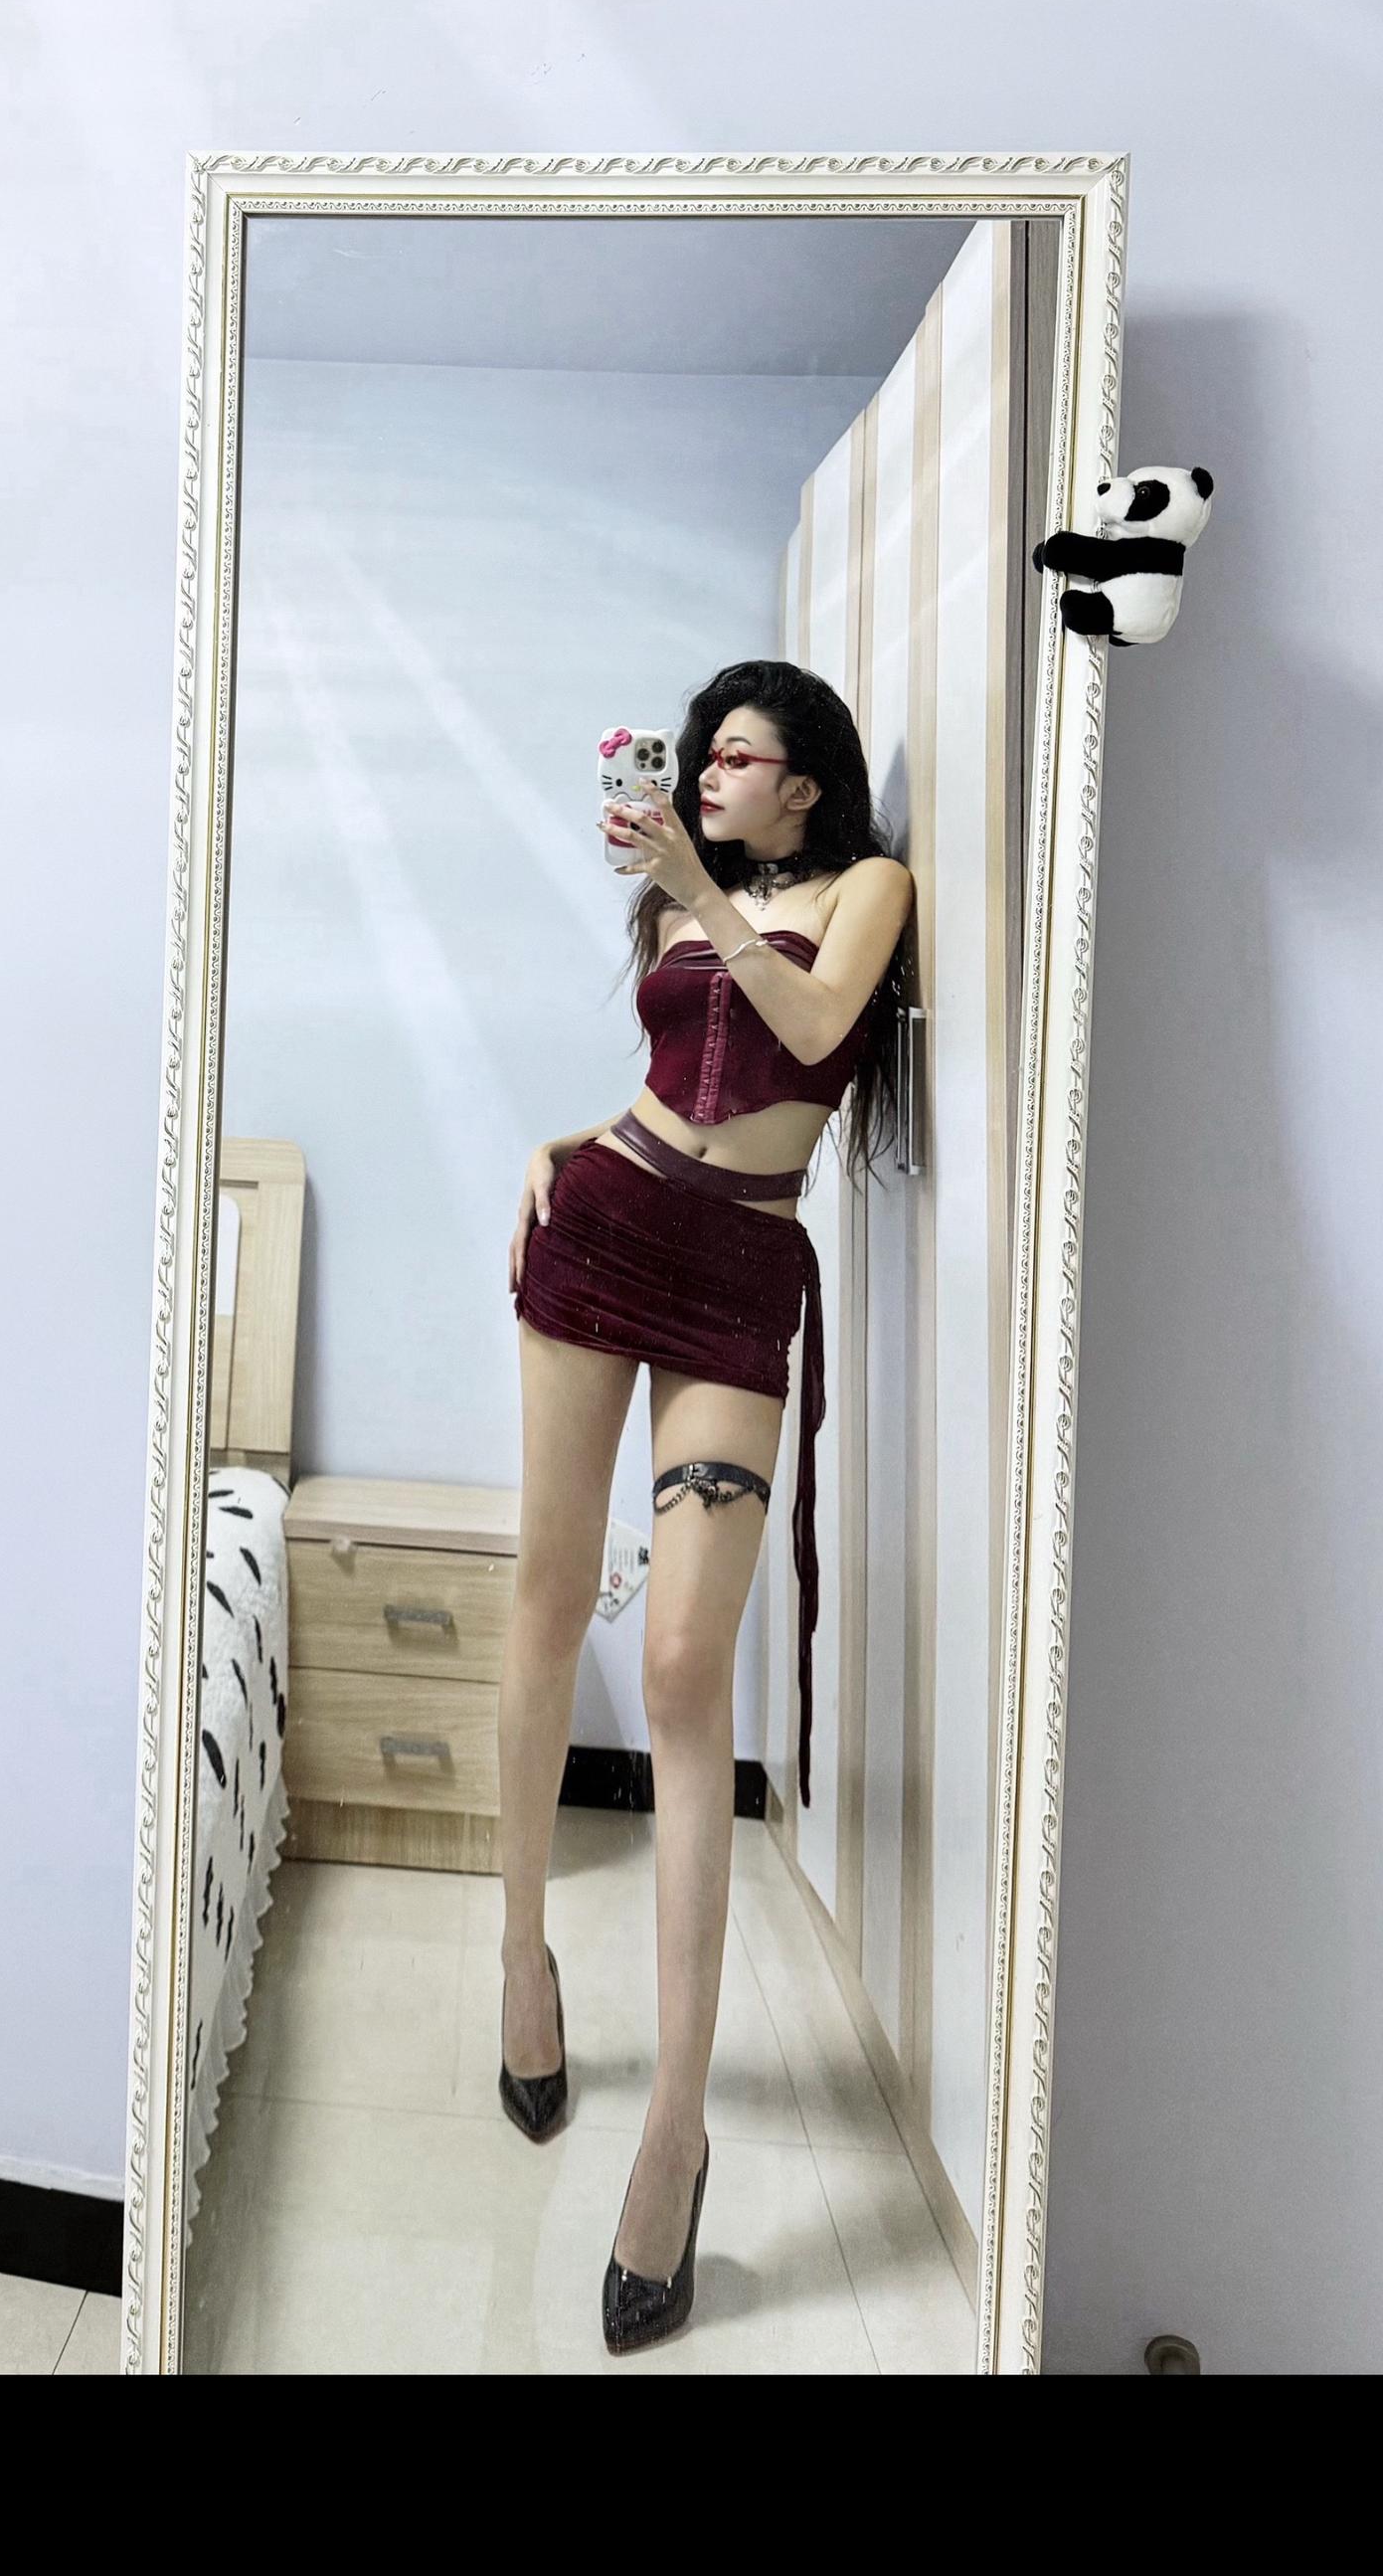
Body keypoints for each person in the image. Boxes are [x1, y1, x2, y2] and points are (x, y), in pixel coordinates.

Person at [500, 657, 914, 2354]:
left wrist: (699, 890)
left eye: (739, 757)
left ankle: (676, 2128)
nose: (711, 777)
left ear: (806, 781)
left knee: (684, 1666)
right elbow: (685, 1086)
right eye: (702, 760)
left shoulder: (868, 890)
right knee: (546, 1599)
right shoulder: (687, 904)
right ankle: (520, 1959)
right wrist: (570, 1138)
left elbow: (811, 1039)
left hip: (740, 1279)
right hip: (601, 1229)